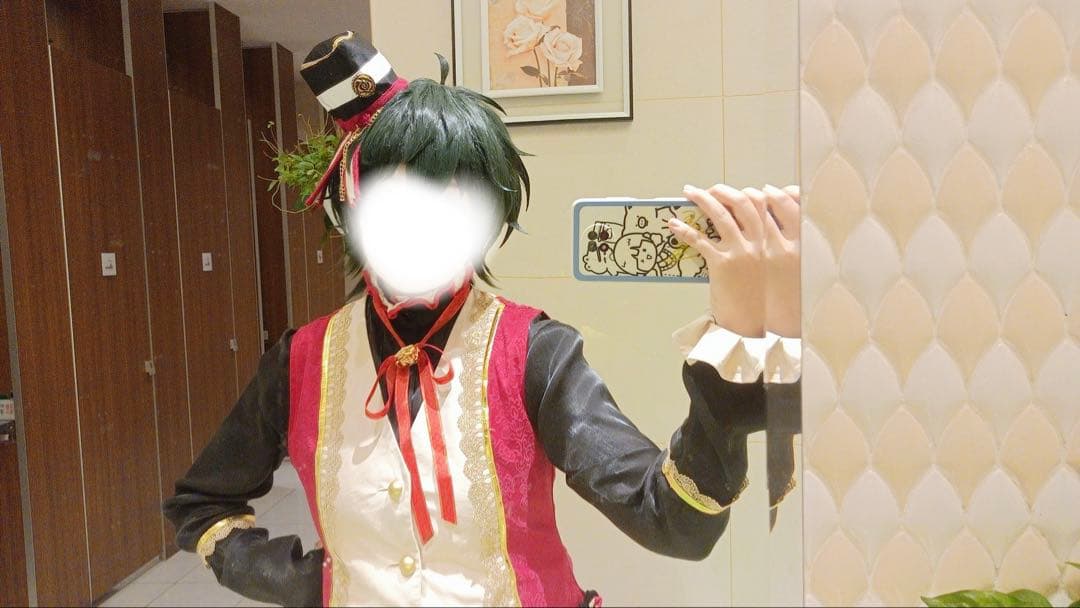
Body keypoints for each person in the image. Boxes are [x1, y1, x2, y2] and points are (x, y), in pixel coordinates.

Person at [163, 32, 801, 607]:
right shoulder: (302, 360)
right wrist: (311, 583)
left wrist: (737, 334)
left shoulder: (535, 352)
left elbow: (674, 524)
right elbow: (202, 502)